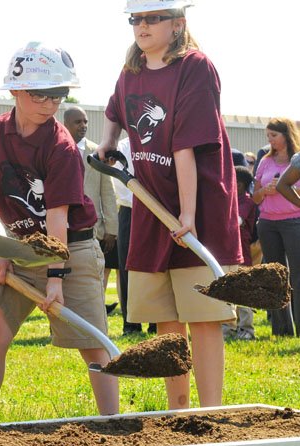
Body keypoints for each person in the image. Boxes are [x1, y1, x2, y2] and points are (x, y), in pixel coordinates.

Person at [0, 42, 119, 425]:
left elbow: (57, 220)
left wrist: (55, 276)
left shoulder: (61, 145)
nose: (50, 104)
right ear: (15, 90)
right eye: (40, 94)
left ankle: (114, 427)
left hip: (71, 251)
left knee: (94, 347)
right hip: (16, 249)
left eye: (58, 95)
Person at [97, 0, 242, 410]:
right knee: (167, 319)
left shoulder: (195, 67)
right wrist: (108, 141)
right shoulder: (132, 71)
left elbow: (185, 145)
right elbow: (114, 109)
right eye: (135, 19)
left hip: (198, 208)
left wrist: (190, 214)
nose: (141, 26)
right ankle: (178, 412)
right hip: (151, 206)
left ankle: (209, 412)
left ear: (177, 24)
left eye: (152, 18)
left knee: (204, 316)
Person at [63, 106, 120, 315]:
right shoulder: (55, 150)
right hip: (62, 226)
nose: (83, 126)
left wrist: (111, 228)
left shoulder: (98, 153)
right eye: (78, 122)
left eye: (85, 122)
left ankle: (92, 315)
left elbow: (108, 193)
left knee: (92, 275)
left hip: (92, 228)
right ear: (66, 124)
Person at [253, 117, 300, 336]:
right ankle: (281, 329)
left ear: (286, 135)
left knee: (296, 276)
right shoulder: (264, 161)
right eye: (268, 136)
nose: (270, 140)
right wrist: (264, 192)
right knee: (275, 276)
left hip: (294, 222)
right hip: (268, 223)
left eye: (274, 135)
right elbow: (254, 198)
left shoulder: (297, 161)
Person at [112, 137, 156, 335]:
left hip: (157, 211)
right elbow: (121, 181)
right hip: (130, 210)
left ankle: (157, 321)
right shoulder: (123, 146)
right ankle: (131, 324)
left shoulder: (159, 141)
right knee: (127, 267)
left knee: (156, 267)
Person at [222, 166, 257, 340]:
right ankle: (228, 328)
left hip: (241, 253)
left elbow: (238, 220)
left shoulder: (246, 202)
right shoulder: (229, 199)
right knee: (227, 291)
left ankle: (246, 330)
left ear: (241, 185)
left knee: (244, 293)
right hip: (226, 252)